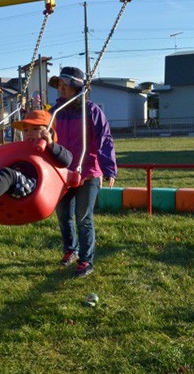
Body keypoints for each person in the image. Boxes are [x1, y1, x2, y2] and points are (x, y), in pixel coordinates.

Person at [49, 66, 117, 279]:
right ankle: (71, 250)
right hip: (62, 173)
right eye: (59, 85)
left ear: (77, 87)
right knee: (63, 215)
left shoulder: (91, 110)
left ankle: (86, 260)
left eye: (65, 85)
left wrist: (109, 169)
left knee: (83, 217)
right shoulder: (54, 113)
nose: (61, 89)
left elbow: (104, 140)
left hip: (87, 172)